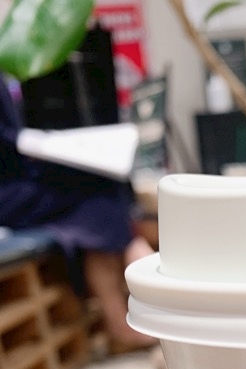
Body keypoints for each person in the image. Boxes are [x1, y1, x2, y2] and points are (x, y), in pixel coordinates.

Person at [0, 76, 154, 351]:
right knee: (101, 197)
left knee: (106, 186)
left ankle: (127, 307)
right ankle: (128, 311)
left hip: (19, 175)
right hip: (7, 190)